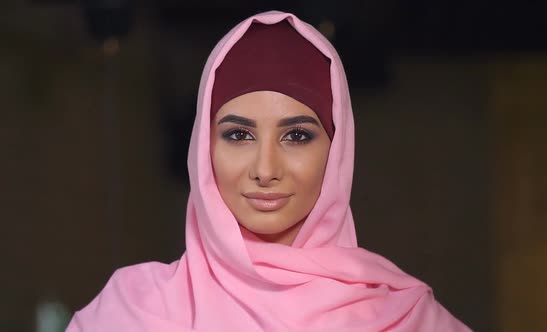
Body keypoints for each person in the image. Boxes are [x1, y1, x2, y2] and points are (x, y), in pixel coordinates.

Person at [67, 11, 471, 331]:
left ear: (338, 150)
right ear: (203, 147)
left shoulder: (405, 318)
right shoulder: (130, 312)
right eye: (239, 135)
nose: (265, 169)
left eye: (296, 136)